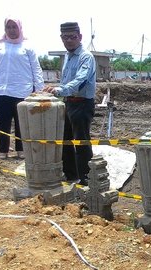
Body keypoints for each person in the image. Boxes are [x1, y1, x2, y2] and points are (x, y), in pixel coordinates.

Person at [0, 17, 45, 160]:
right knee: (3, 122)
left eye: (14, 27)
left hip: (23, 91)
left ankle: (21, 150)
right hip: (2, 90)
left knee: (21, 121)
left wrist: (39, 88)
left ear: (20, 28)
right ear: (5, 29)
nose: (11, 30)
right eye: (8, 27)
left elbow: (36, 69)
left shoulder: (27, 47)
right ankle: (3, 150)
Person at [43, 22, 96, 186]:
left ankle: (86, 180)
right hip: (68, 103)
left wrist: (59, 90)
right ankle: (71, 175)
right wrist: (57, 89)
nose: (69, 40)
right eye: (65, 37)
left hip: (82, 104)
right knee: (65, 139)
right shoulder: (67, 56)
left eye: (73, 37)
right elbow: (66, 80)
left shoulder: (86, 57)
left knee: (81, 142)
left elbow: (80, 81)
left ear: (80, 37)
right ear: (61, 38)